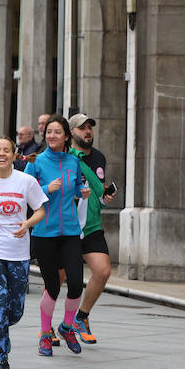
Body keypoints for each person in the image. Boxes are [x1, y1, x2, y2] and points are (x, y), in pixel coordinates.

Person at [0, 137, 47, 369]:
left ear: (14, 154)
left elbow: (40, 210)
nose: (1, 154)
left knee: (14, 311)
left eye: (6, 150)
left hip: (18, 251)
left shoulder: (25, 181)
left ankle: (0, 322)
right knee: (1, 300)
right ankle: (3, 360)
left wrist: (26, 224)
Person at [23, 115, 88, 357]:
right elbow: (25, 193)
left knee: (76, 282)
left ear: (66, 136)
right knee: (51, 286)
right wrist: (44, 189)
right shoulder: (36, 162)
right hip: (44, 233)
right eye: (49, 131)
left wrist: (83, 192)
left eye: (57, 132)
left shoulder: (73, 162)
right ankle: (44, 334)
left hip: (70, 231)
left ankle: (67, 327)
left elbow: (77, 188)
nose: (51, 135)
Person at [68, 113, 115, 344]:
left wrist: (106, 197)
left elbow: (98, 190)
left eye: (90, 128)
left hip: (92, 225)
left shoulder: (98, 157)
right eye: (81, 128)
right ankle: (46, 329)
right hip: (67, 226)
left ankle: (82, 317)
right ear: (71, 133)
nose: (87, 132)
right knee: (58, 278)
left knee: (103, 271)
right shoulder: (65, 157)